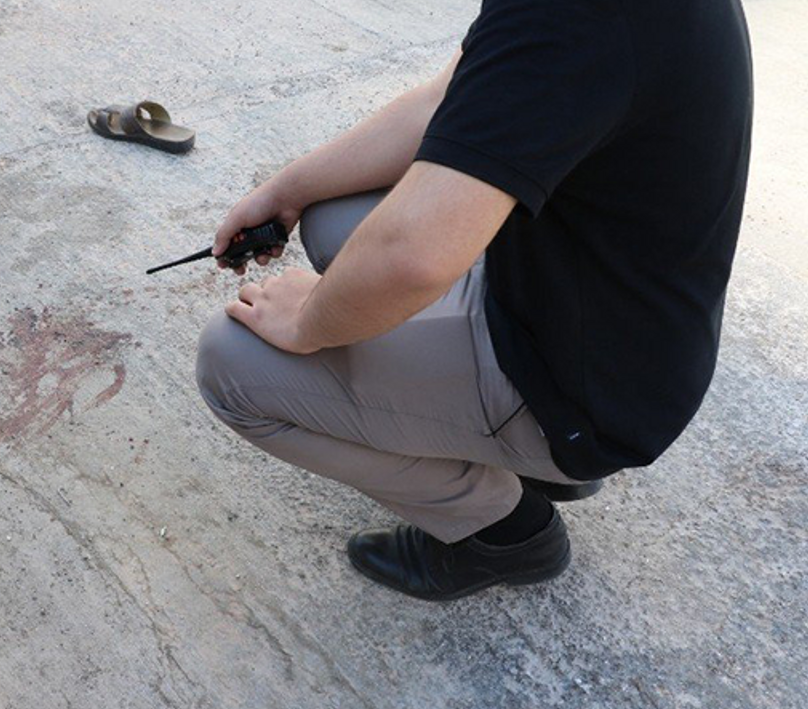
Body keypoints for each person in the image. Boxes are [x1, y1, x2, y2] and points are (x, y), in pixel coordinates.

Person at [195, 0, 753, 601]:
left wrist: (309, 321)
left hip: (586, 396)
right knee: (336, 217)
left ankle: (502, 531)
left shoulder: (575, 18)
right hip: (588, 310)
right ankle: (508, 450)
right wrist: (288, 190)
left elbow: (412, 259)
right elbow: (450, 102)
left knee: (235, 367)